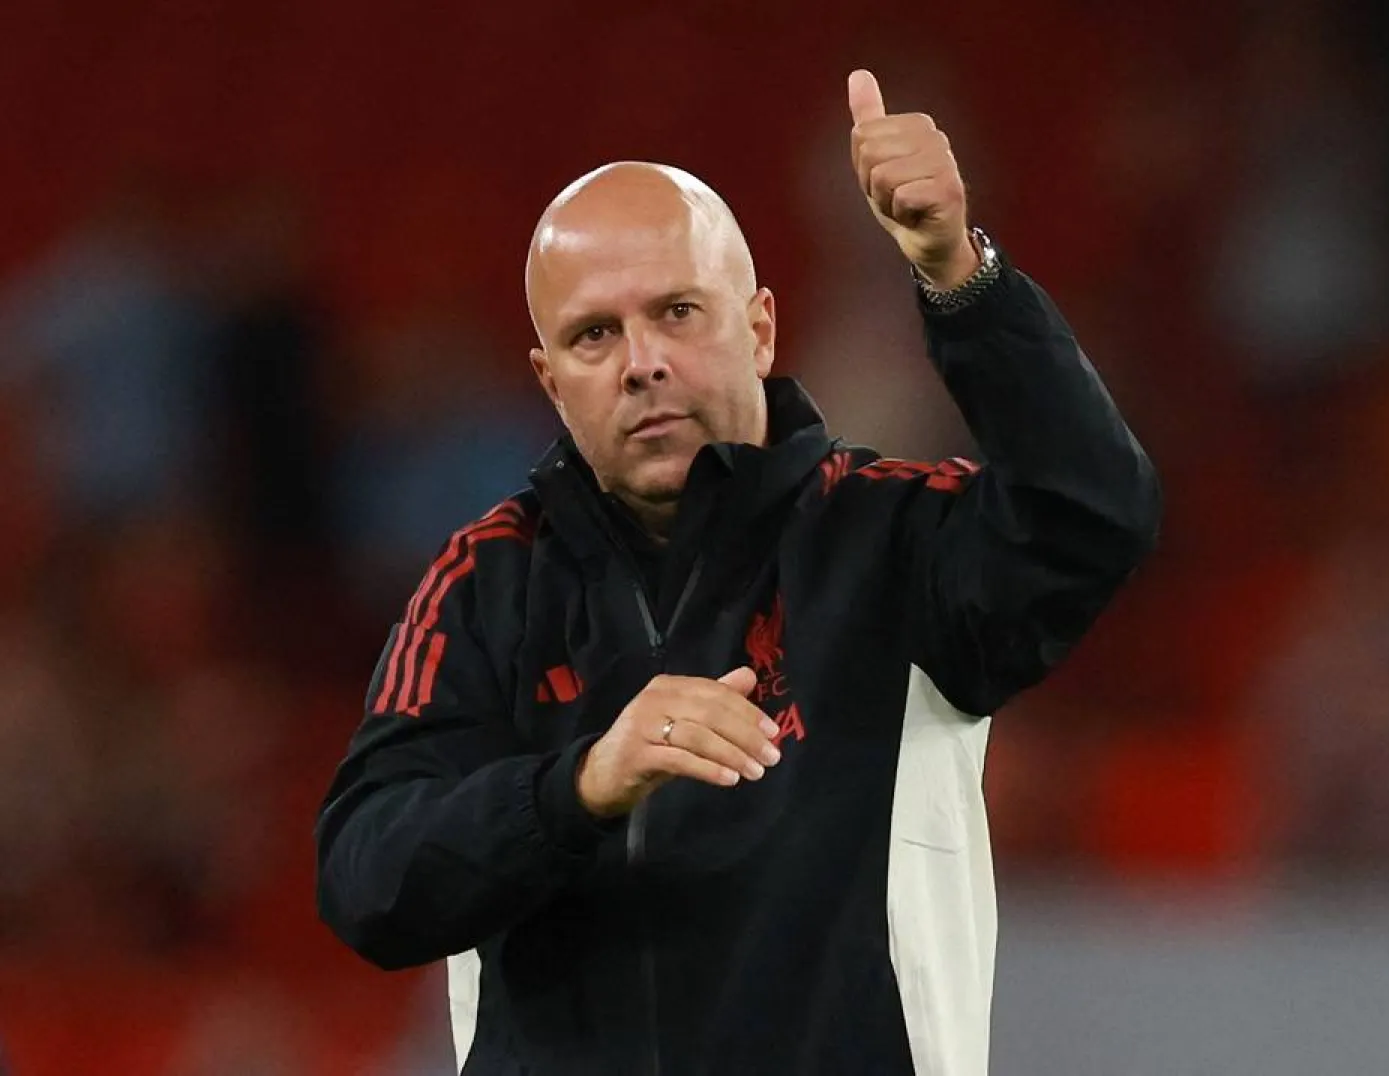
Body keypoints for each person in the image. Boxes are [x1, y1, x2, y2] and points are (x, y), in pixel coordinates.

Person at [316, 70, 1160, 1075]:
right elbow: (367, 876)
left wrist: (961, 280)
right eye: (595, 334)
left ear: (758, 327)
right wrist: (580, 784)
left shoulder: (893, 540)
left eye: (677, 311)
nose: (641, 361)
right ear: (551, 378)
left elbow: (1096, 513)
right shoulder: (486, 583)